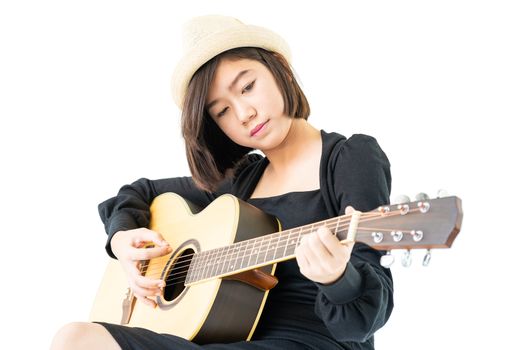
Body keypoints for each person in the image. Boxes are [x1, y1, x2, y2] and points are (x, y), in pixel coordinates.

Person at [51, 15, 393, 350]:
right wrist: (124, 238)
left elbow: (365, 319)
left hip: (315, 340)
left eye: (247, 87)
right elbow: (138, 193)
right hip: (228, 339)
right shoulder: (241, 184)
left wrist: (337, 278)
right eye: (222, 111)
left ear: (280, 69)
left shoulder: (350, 157)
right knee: (76, 339)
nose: (244, 114)